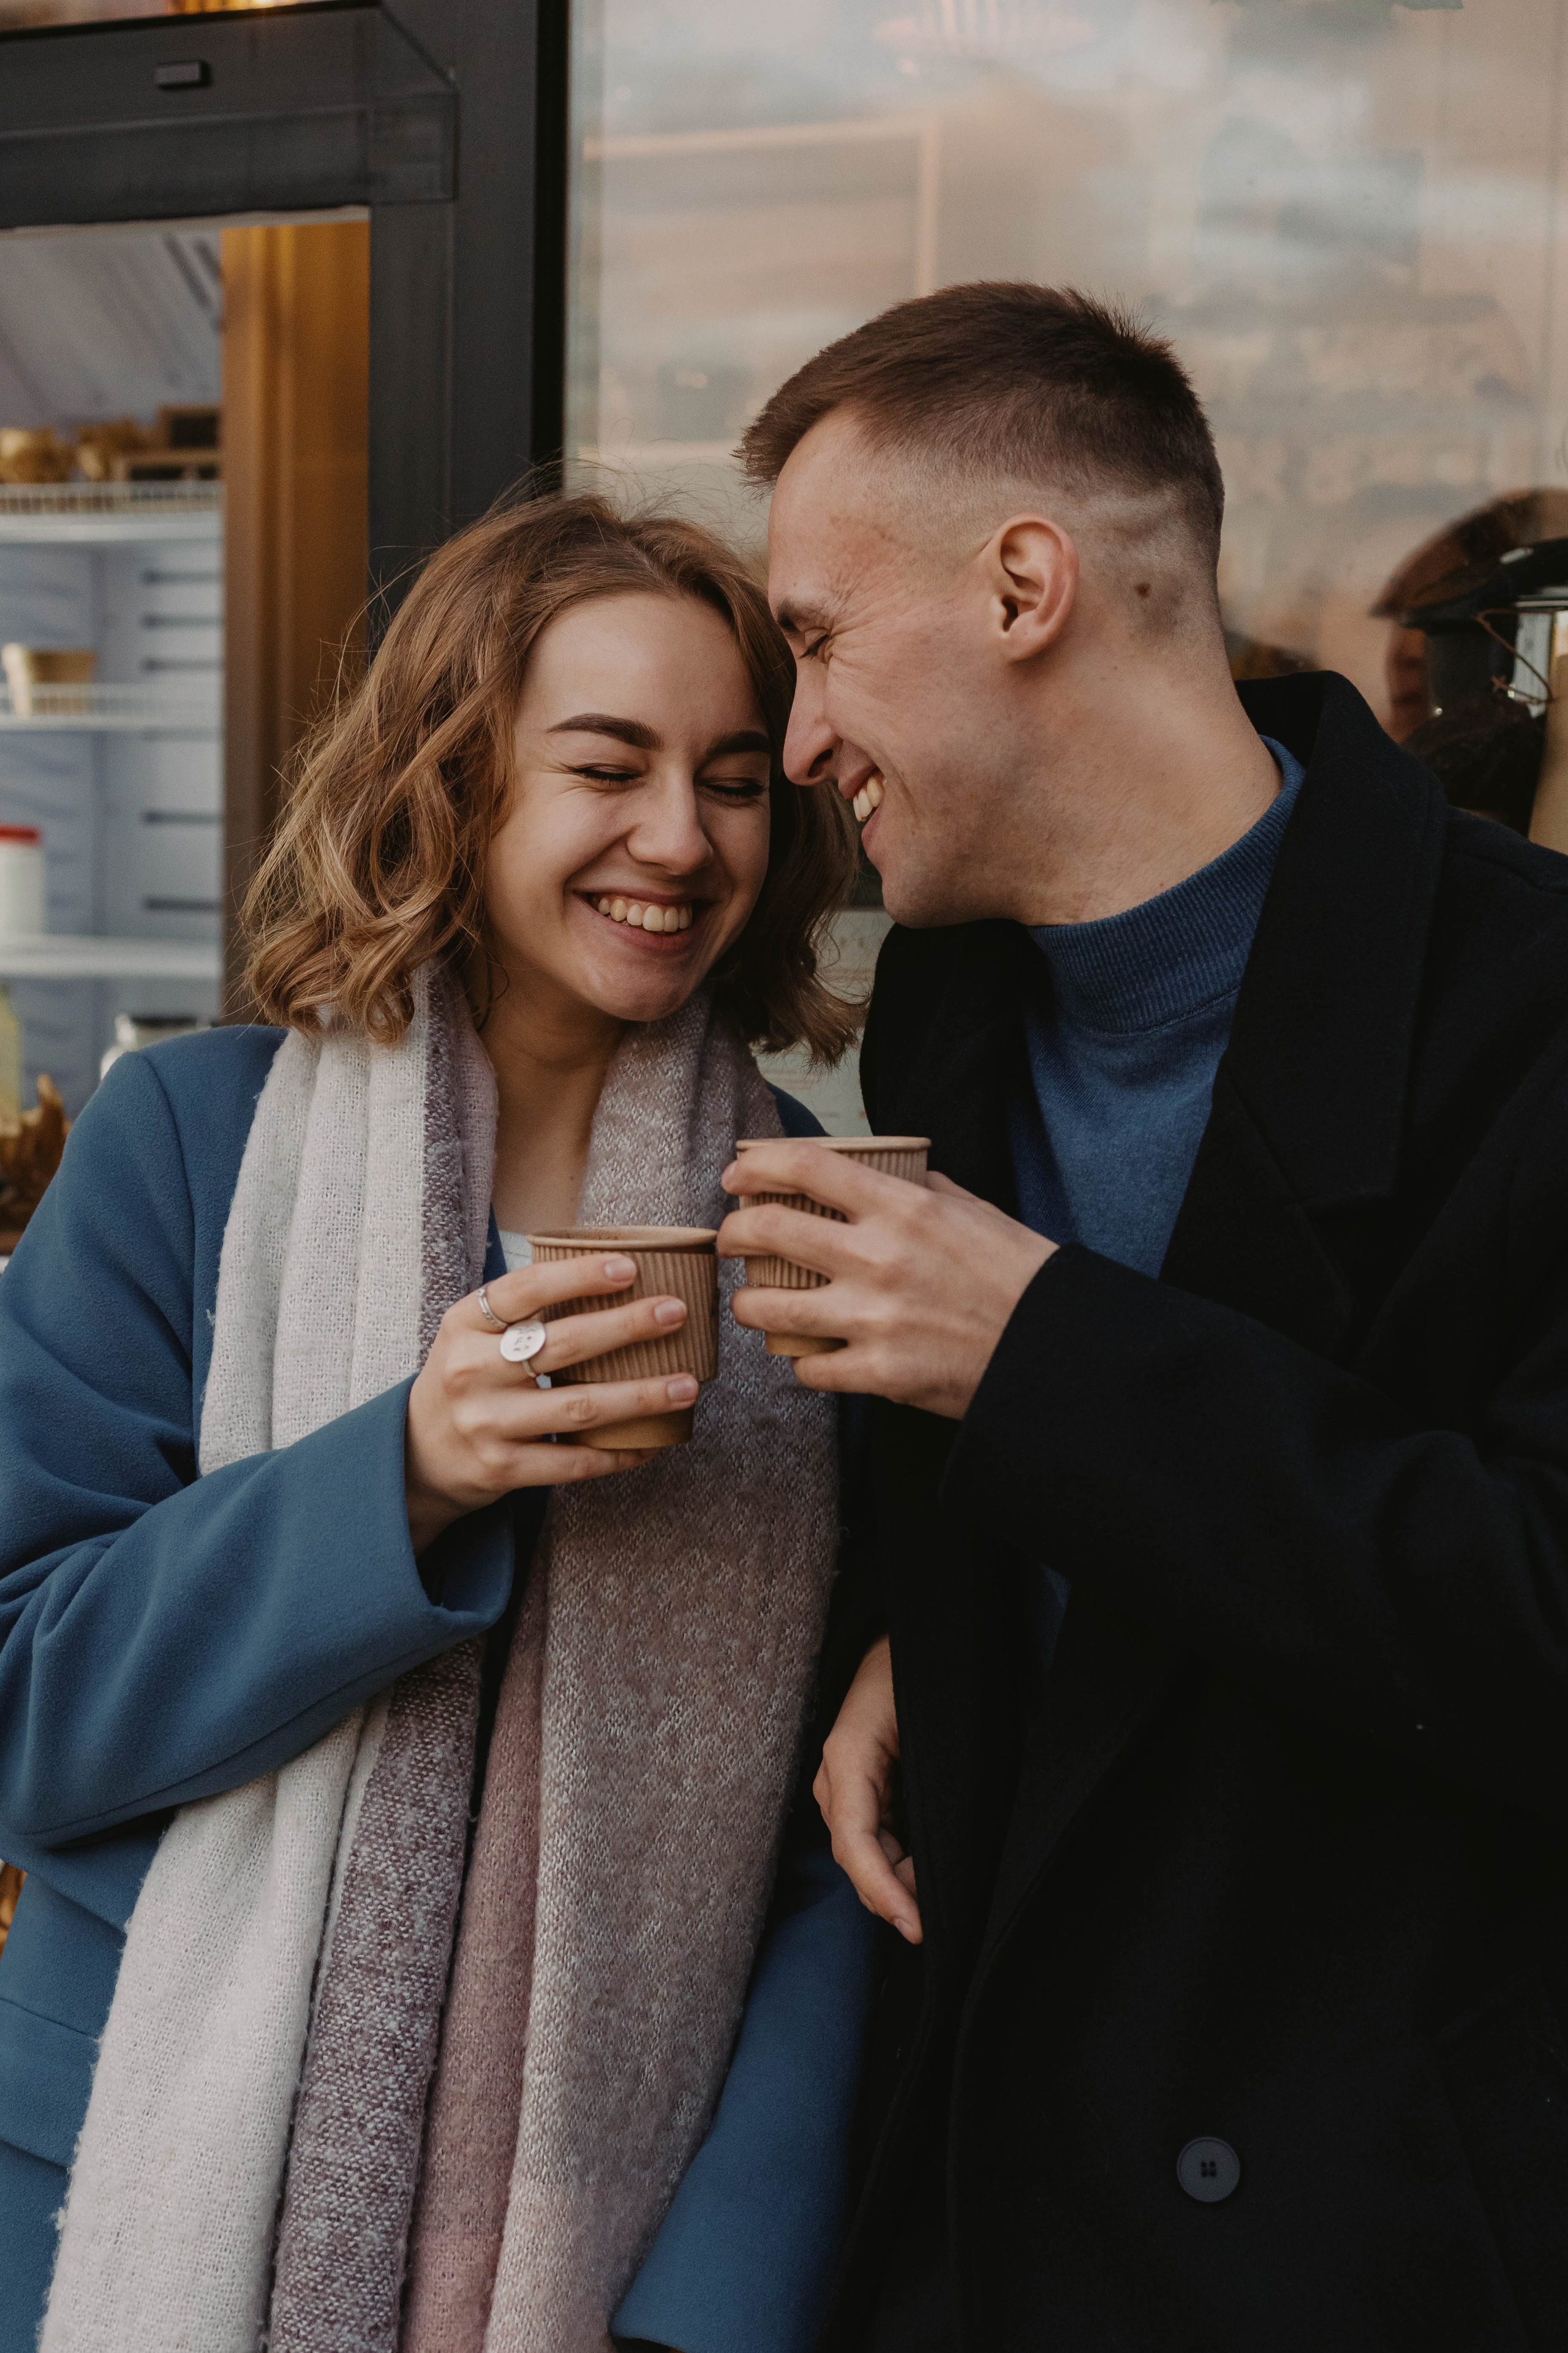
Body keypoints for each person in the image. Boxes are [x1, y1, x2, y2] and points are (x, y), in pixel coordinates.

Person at [716, 283, 1568, 2351]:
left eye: (819, 641)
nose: (801, 742)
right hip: (981, 2230)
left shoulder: (1537, 1005)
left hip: (1372, 2250)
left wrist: (1042, 1356)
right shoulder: (949, 1000)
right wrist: (933, 1617)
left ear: (1027, 585)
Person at [0, 493, 878, 2353]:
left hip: (613, 2258)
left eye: (734, 776)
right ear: (455, 780)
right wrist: (404, 1469)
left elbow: (843, 1826)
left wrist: (713, 2301)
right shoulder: (189, 1148)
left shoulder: (812, 1216)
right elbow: (26, 1698)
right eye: (606, 764)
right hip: (132, 2203)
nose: (680, 835)